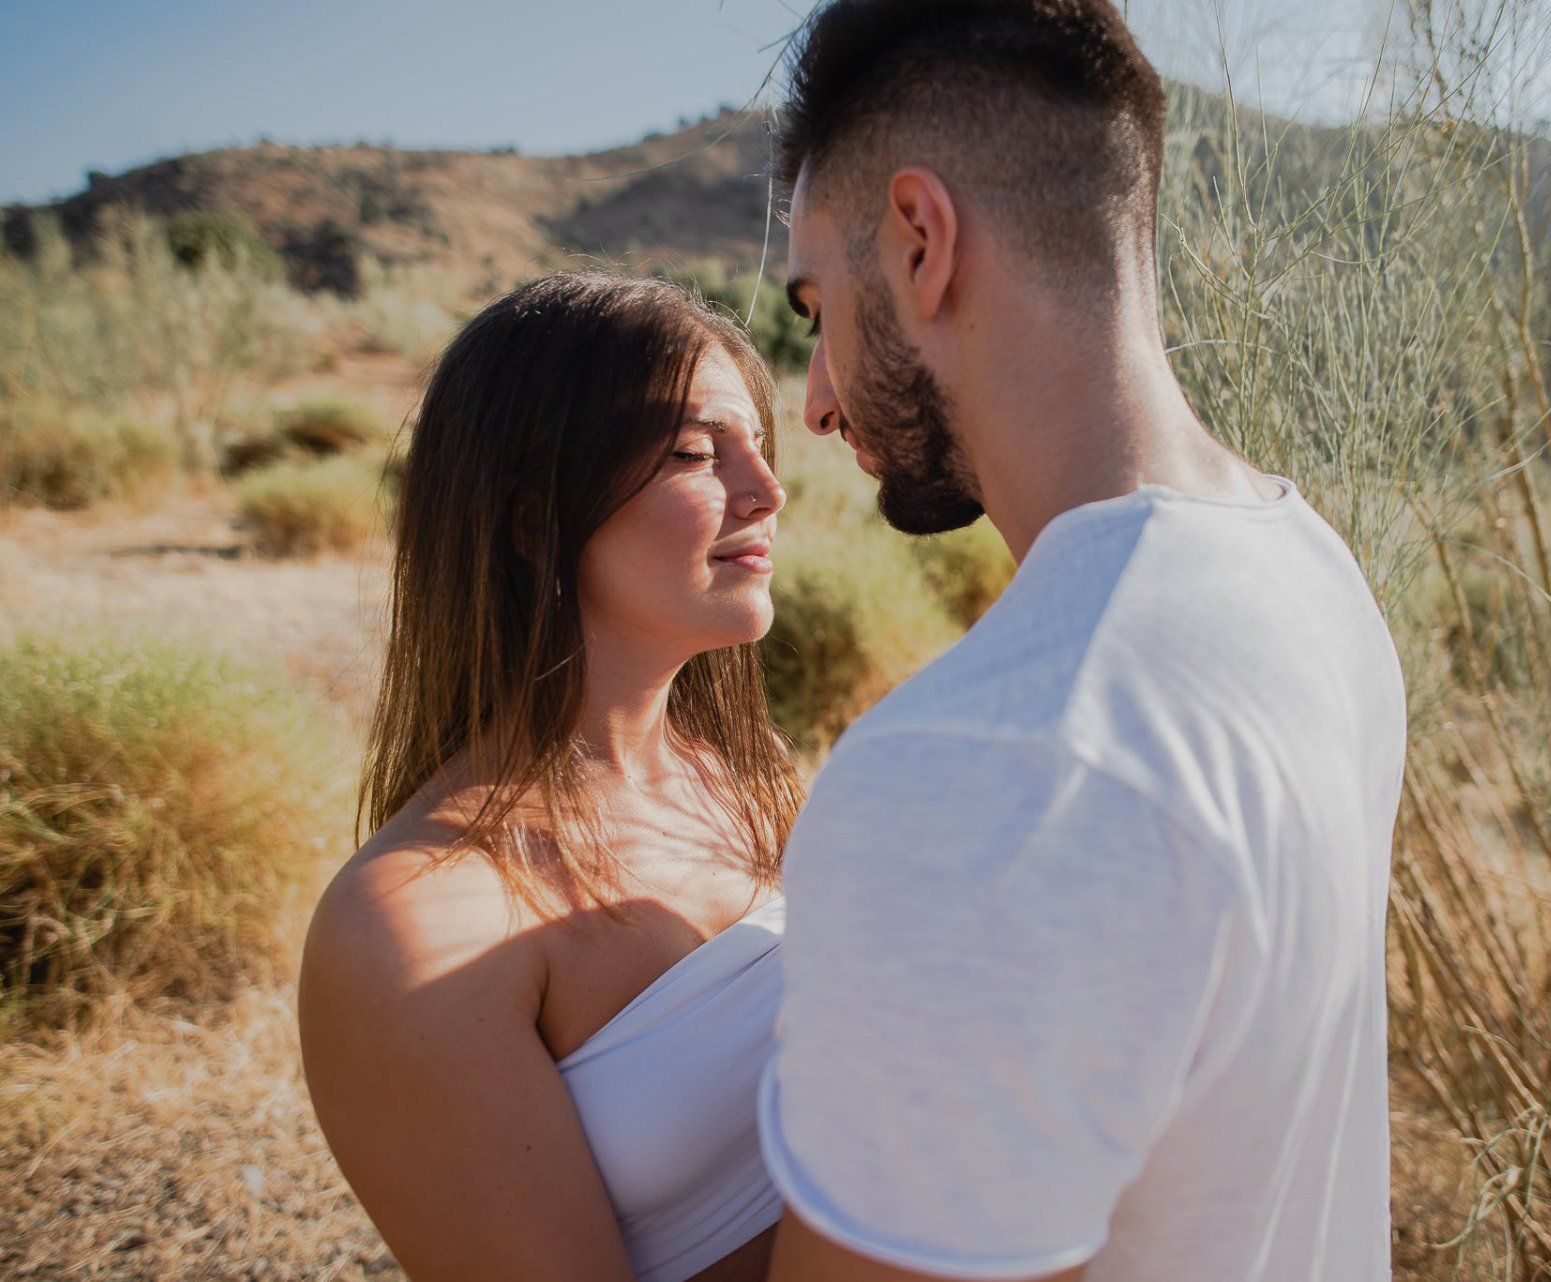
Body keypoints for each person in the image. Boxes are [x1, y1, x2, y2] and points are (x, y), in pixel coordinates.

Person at [756, 3, 1407, 1281]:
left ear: (921, 239)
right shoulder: (1307, 567)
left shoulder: (995, 767)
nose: (820, 397)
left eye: (813, 305)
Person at [299, 271, 804, 1282]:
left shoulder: (749, 781)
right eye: (698, 452)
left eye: (761, 445)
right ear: (535, 523)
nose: (766, 489)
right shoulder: (415, 923)